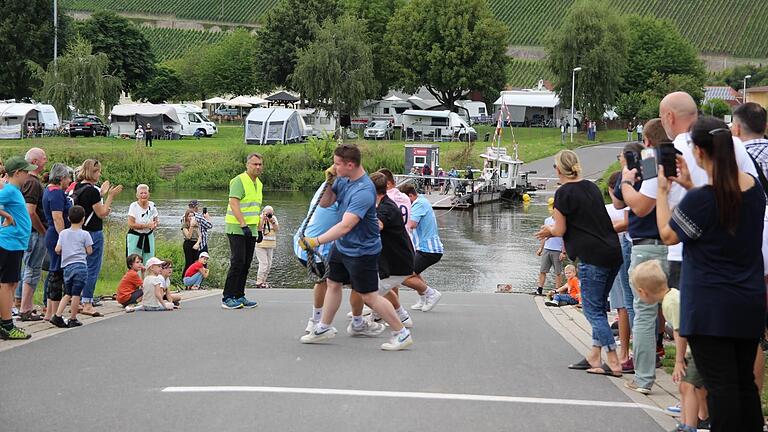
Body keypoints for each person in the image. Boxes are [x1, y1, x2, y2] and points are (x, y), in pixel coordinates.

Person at [656, 116, 765, 431]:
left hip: (710, 307)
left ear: (699, 153)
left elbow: (667, 235)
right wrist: (690, 186)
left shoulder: (703, 199)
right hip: (747, 301)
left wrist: (664, 191)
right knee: (743, 383)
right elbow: (722, 212)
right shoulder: (753, 188)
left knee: (721, 388)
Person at [299, 144, 413, 351]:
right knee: (333, 283)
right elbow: (325, 203)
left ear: (350, 164)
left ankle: (401, 333)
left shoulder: (364, 191)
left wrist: (316, 241)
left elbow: (345, 226)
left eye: (337, 164)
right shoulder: (343, 179)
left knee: (369, 296)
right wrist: (329, 181)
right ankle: (323, 327)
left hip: (362, 251)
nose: (334, 167)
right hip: (342, 247)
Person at [535, 150, 623, 376]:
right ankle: (594, 355)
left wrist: (548, 231)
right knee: (599, 304)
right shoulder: (591, 187)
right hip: (613, 251)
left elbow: (560, 229)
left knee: (592, 309)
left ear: (558, 169)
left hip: (592, 256)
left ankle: (613, 361)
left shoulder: (563, 193)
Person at [632, 260, 709, 432]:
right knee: (693, 387)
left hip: (698, 350)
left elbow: (680, 332)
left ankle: (689, 426)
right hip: (698, 348)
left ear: (643, 292)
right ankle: (702, 419)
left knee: (687, 386)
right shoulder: (672, 296)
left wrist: (679, 361)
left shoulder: (671, 302)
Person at [72, 159, 123, 317]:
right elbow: (101, 212)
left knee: (80, 267)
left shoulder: (79, 187)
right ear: (92, 172)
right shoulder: (92, 191)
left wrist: (101, 193)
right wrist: (111, 196)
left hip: (79, 230)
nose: (100, 174)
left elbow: (89, 202)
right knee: (92, 268)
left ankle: (78, 300)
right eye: (98, 171)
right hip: (93, 231)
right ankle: (88, 302)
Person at [293, 181, 341, 334]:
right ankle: (359, 321)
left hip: (302, 244)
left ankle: (315, 321)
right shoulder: (342, 192)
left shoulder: (325, 186)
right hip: (318, 250)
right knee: (358, 282)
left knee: (324, 282)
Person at [370, 172, 415, 329]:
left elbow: (378, 225)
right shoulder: (385, 204)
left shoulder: (385, 209)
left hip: (398, 263)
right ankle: (401, 317)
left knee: (369, 293)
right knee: (382, 287)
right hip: (397, 259)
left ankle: (398, 329)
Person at [0, 157, 36, 340]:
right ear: (17, 173)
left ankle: (4, 321)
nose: (28, 175)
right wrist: (6, 216)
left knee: (12, 283)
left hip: (16, 242)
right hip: (9, 242)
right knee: (6, 284)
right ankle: (6, 324)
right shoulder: (10, 191)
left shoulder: (14, 190)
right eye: (26, 172)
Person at [221, 153, 263, 309]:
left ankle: (239, 295)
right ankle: (227, 297)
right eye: (254, 164)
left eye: (259, 164)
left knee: (246, 263)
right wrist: (243, 225)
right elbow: (234, 204)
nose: (257, 167)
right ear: (247, 165)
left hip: (251, 229)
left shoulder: (258, 183)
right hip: (237, 227)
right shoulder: (239, 180)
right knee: (237, 262)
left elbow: (256, 207)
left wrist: (258, 229)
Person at [398, 183, 443, 312]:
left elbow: (411, 224)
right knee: (415, 273)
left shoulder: (418, 204)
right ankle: (424, 298)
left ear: (411, 196)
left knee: (405, 276)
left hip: (429, 250)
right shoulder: (421, 200)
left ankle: (432, 294)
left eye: (405, 200)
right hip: (423, 248)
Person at [16, 147, 48, 322]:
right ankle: (25, 309)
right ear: (35, 161)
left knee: (27, 268)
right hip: (35, 233)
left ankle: (21, 304)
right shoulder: (33, 183)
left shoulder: (26, 181)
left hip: (29, 232)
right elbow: (30, 212)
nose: (46, 161)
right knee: (32, 269)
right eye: (44, 158)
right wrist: (43, 231)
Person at [605, 170, 631, 368]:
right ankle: (655, 347)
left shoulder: (612, 208)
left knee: (623, 305)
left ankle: (624, 352)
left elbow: (625, 224)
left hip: (619, 256)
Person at [53, 205, 94, 328]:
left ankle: (58, 315)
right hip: (80, 266)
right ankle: (73, 318)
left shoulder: (63, 233)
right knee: (76, 294)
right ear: (83, 219)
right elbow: (90, 250)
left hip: (67, 267)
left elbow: (57, 249)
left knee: (68, 293)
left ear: (68, 219)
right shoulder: (85, 234)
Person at [42, 163, 73, 323]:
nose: (69, 181)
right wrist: (63, 239)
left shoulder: (50, 190)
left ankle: (49, 312)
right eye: (68, 177)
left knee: (54, 272)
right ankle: (54, 313)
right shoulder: (56, 194)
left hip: (53, 234)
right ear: (61, 178)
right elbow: (57, 217)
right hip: (56, 235)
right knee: (57, 274)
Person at [534, 197, 566, 296]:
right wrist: (541, 248)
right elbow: (544, 235)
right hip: (547, 249)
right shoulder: (547, 220)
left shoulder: (563, 221)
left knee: (558, 272)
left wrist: (563, 252)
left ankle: (557, 291)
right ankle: (539, 289)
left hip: (557, 249)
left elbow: (566, 237)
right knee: (543, 270)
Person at [126, 184, 158, 264]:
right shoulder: (134, 206)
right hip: (135, 236)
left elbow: (156, 219)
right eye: (141, 193)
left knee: (150, 262)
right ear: (137, 195)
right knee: (134, 262)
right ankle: (135, 276)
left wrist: (155, 224)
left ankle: (147, 276)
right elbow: (130, 224)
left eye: (145, 193)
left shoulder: (152, 205)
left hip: (148, 236)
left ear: (149, 194)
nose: (143, 195)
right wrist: (146, 226)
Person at [255, 205, 279, 288]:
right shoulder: (259, 218)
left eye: (271, 213)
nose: (269, 215)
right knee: (264, 263)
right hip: (260, 245)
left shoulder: (274, 218)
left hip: (270, 245)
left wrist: (272, 221)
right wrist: (263, 219)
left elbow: (277, 229)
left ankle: (263, 281)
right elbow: (258, 228)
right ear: (263, 212)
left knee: (269, 264)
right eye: (268, 213)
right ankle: (259, 281)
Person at [181, 209, 199, 273]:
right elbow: (188, 236)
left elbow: (200, 235)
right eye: (189, 216)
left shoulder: (196, 224)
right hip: (188, 243)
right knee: (189, 262)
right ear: (186, 217)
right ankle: (184, 278)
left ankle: (192, 277)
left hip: (195, 243)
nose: (191, 218)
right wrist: (191, 226)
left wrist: (198, 243)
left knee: (195, 262)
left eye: (192, 216)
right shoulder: (185, 225)